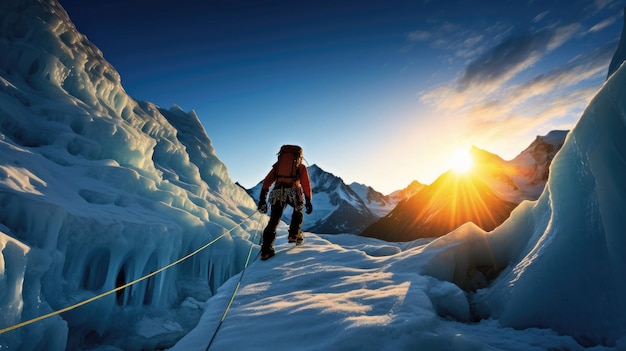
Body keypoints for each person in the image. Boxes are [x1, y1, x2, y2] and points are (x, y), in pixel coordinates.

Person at [257, 145, 313, 260]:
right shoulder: (300, 167)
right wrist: (308, 201)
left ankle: (266, 250)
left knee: (273, 220)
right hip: (293, 191)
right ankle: (294, 234)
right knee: (298, 210)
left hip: (277, 193)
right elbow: (306, 184)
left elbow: (267, 182)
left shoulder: (277, 167)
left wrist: (263, 199)